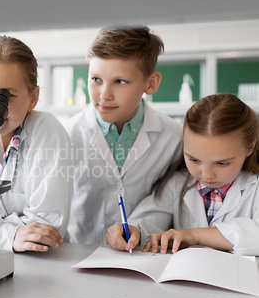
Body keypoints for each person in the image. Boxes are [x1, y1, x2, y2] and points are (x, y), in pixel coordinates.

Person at [65, 26, 183, 244]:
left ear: (151, 83)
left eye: (120, 81)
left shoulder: (174, 138)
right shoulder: (66, 135)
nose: (104, 94)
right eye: (96, 79)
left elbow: (169, 202)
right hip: (79, 254)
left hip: (142, 255)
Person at [107, 93, 259, 256]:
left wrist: (193, 235)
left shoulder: (254, 188)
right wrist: (131, 231)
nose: (206, 175)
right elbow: (148, 221)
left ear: (250, 148)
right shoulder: (177, 184)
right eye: (194, 159)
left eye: (222, 163)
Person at [0, 35, 72, 252]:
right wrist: (12, 234)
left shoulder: (46, 130)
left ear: (33, 98)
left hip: (41, 264)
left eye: (4, 96)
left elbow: (46, 229)